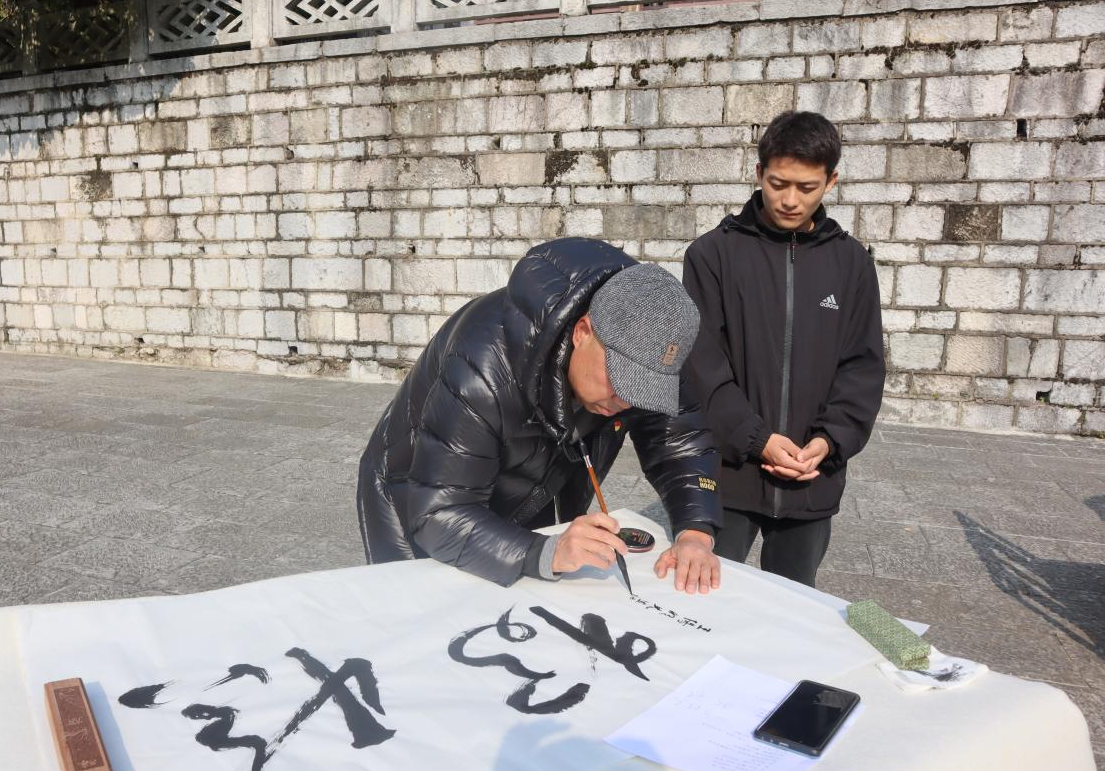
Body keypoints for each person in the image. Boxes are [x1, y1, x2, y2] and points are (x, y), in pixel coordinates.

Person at [358, 237, 723, 594]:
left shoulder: (653, 336)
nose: (626, 400)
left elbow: (681, 441)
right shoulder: (481, 368)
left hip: (535, 486)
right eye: (620, 379)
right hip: (418, 495)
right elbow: (440, 514)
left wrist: (695, 530)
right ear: (583, 331)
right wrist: (543, 552)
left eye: (644, 388)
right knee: (430, 620)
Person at [681, 110, 885, 588]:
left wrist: (828, 442)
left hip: (812, 479)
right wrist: (757, 439)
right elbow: (702, 368)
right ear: (758, 174)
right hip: (729, 474)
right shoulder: (712, 255)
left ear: (831, 181)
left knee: (795, 606)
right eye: (778, 183)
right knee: (706, 600)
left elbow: (861, 366)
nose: (791, 200)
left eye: (807, 187)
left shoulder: (852, 263)